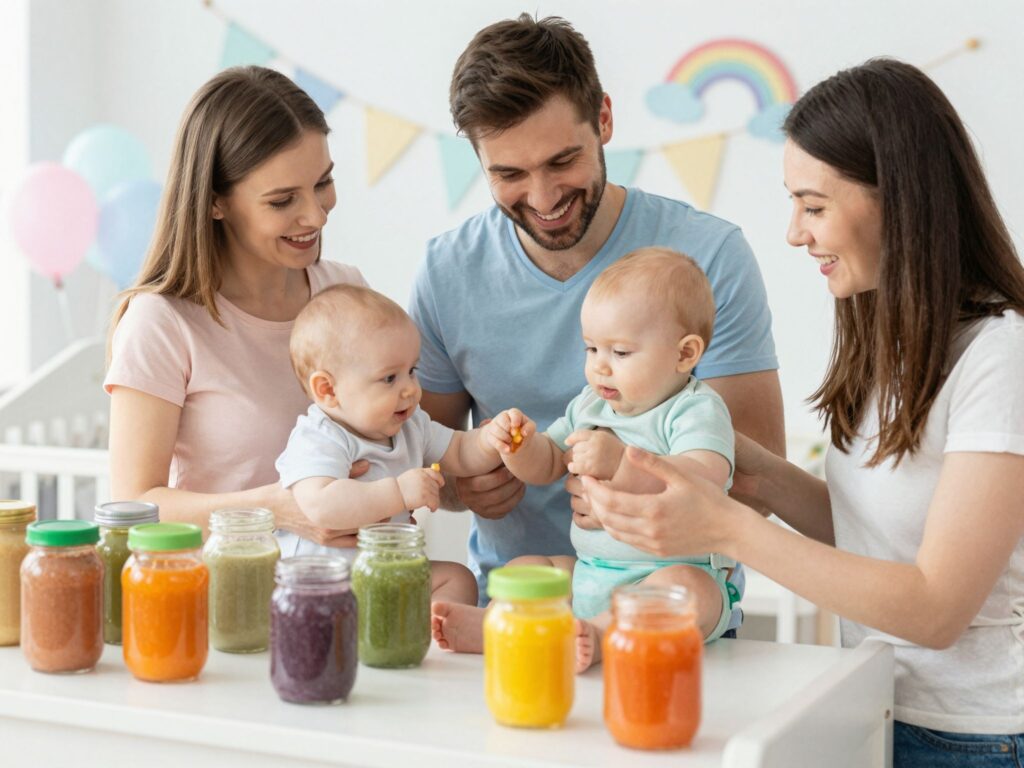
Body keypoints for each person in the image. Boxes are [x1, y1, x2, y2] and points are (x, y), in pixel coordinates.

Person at [582, 59, 1024, 766]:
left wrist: (725, 528)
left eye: (813, 206)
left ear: (898, 201)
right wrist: (738, 467)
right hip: (869, 703)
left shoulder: (1000, 356)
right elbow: (873, 534)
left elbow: (937, 608)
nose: (795, 233)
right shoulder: (891, 338)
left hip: (972, 739)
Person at [409, 15, 784, 629]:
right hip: (529, 603)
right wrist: (461, 485)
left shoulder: (707, 257)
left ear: (604, 120)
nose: (544, 197)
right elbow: (419, 455)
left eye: (563, 161)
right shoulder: (447, 271)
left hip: (671, 604)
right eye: (508, 174)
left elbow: (755, 482)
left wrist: (625, 484)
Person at [433, 248, 737, 670]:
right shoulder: (591, 405)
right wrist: (520, 447)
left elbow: (703, 480)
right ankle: (500, 626)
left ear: (684, 354)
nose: (600, 368)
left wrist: (621, 466)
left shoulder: (694, 410)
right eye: (592, 349)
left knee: (690, 589)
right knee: (531, 567)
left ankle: (599, 633)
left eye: (621, 353)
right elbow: (550, 462)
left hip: (670, 576)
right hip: (591, 571)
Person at [106, 66, 366, 545]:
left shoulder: (344, 293)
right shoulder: (162, 323)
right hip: (226, 603)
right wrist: (279, 510)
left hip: (346, 592)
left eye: (323, 183)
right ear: (215, 202)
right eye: (282, 200)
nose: (315, 214)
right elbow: (134, 505)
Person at [274, 284, 507, 606]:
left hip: (386, 572)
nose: (411, 389)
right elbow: (321, 506)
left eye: (412, 371)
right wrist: (398, 493)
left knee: (456, 580)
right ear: (328, 389)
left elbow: (460, 452)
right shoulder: (320, 437)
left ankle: (427, 642)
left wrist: (492, 439)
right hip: (328, 584)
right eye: (389, 378)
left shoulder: (410, 425)